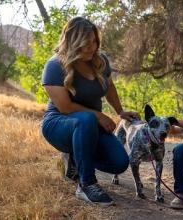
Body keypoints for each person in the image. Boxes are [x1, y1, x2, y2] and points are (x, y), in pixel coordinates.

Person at [41, 16, 139, 206]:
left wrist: (120, 111)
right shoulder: (54, 66)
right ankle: (86, 184)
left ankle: (76, 160)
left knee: (119, 163)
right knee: (85, 119)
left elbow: (109, 88)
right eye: (85, 44)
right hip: (59, 124)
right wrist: (99, 115)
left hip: (90, 125)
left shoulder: (100, 60)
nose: (91, 47)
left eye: (94, 41)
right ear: (72, 42)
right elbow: (65, 107)